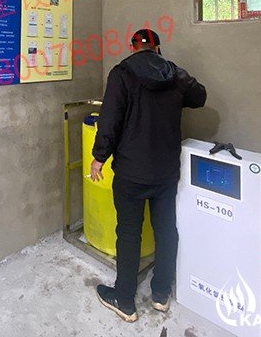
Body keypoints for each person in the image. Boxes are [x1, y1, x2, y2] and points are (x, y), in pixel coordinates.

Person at [91, 28, 206, 322]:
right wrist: (175, 73)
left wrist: (99, 158)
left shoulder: (122, 73)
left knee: (129, 233)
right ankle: (161, 294)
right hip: (165, 172)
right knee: (165, 229)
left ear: (132, 47)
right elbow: (200, 96)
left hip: (131, 172)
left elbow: (109, 120)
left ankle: (124, 300)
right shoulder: (174, 73)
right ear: (158, 48)